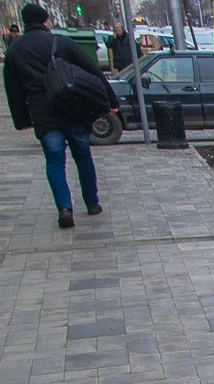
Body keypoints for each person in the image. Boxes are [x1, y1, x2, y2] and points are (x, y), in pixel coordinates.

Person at [3, 4, 119, 229]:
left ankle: (64, 208)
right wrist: (110, 101)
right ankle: (92, 203)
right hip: (72, 108)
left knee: (55, 159)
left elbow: (13, 89)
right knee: (83, 155)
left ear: (25, 23)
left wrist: (21, 120)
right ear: (47, 20)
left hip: (43, 113)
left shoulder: (15, 51)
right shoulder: (62, 43)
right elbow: (92, 70)